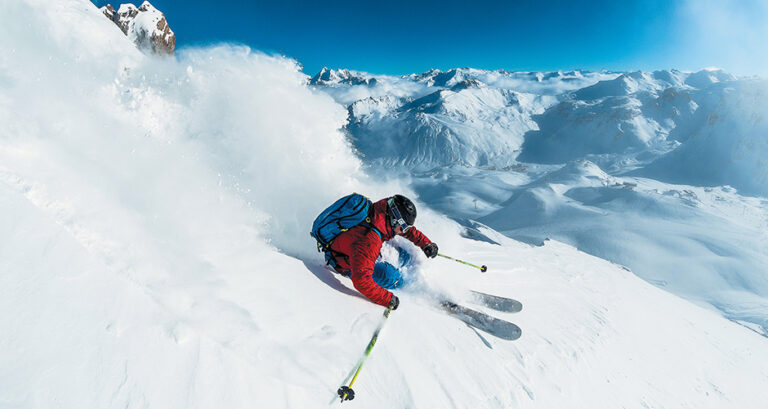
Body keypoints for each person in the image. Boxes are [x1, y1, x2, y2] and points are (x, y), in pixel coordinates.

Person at [327, 195, 438, 310]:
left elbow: (406, 230)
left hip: (354, 247)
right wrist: (387, 299)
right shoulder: (369, 241)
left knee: (405, 255)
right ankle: (407, 288)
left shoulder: (381, 210)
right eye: (403, 228)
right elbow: (361, 280)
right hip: (346, 263)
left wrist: (425, 243)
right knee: (391, 277)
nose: (405, 231)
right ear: (394, 220)